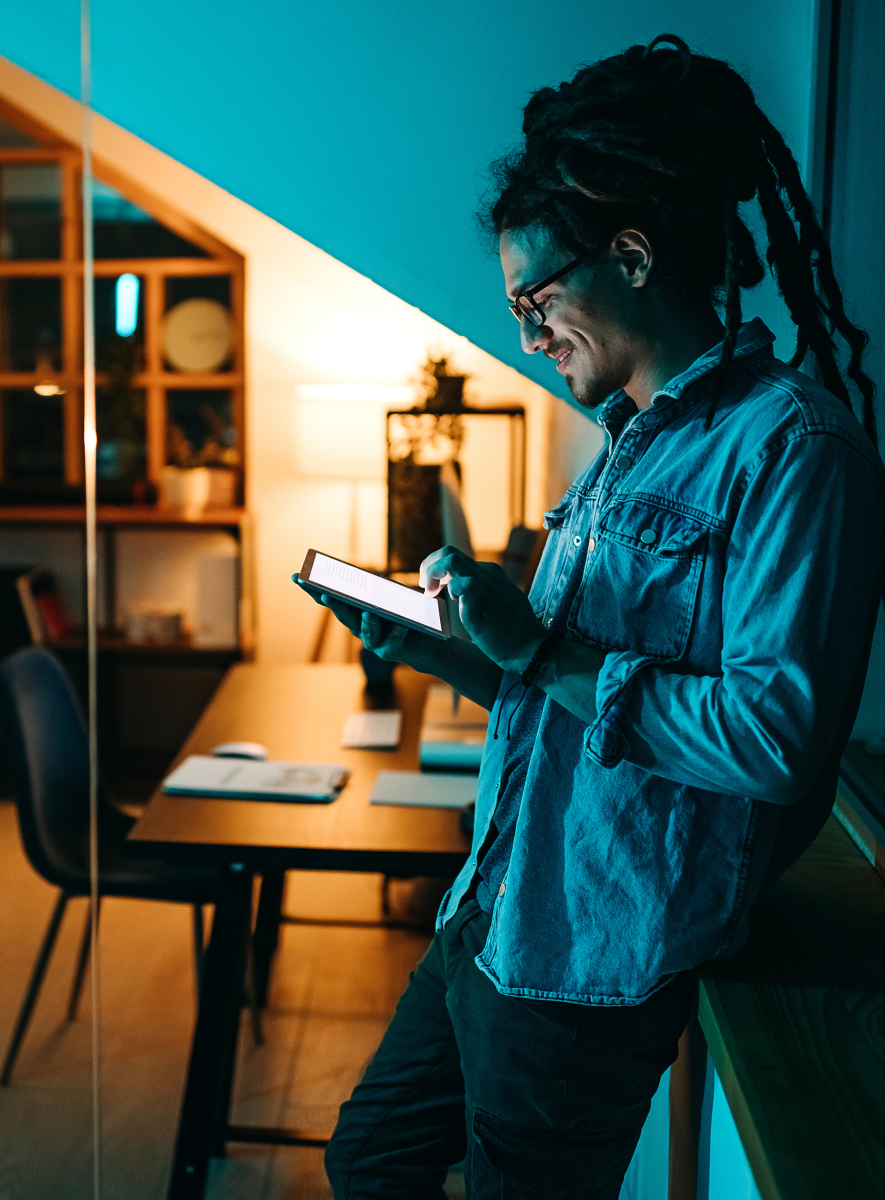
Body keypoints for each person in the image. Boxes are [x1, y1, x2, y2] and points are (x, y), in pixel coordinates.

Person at [303, 34, 883, 1199]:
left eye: (537, 298)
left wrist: (539, 648)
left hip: (590, 962)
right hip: (495, 909)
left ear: (629, 254)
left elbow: (774, 739)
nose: (525, 334)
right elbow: (560, 695)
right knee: (369, 1160)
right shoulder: (621, 446)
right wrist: (452, 653)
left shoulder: (796, 450)